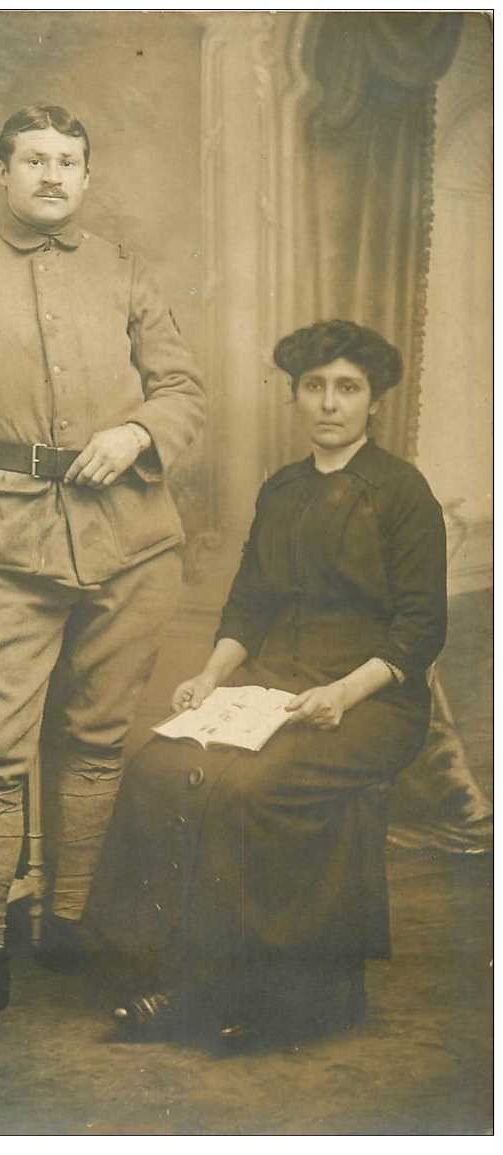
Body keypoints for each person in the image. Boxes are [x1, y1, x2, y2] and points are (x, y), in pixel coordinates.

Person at [0, 105, 205, 1050]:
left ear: (87, 177)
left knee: (99, 737)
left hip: (133, 543)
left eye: (70, 161)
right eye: (34, 160)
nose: (53, 175)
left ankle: (70, 925)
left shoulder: (126, 269)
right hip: (3, 545)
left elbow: (184, 388)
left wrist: (138, 430)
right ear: (1, 173)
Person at [88, 320, 447, 1047]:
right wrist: (209, 675)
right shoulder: (282, 489)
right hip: (275, 685)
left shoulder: (403, 492)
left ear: (372, 401)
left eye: (347, 388)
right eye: (313, 387)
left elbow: (420, 628)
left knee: (251, 788)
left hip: (373, 700)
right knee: (159, 766)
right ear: (295, 397)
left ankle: (265, 994)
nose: (329, 403)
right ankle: (158, 969)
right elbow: (249, 602)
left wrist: (344, 693)